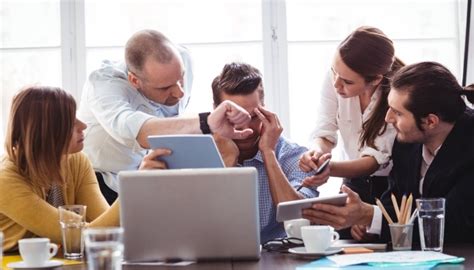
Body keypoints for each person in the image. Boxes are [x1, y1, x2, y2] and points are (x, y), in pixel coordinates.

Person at [302, 62, 474, 244]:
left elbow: (454, 225)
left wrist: (370, 216)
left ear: (431, 121)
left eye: (398, 113)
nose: (388, 118)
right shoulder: (407, 141)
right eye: (389, 108)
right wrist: (370, 225)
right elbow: (395, 201)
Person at [78, 29, 253, 204]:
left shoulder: (182, 58)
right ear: (134, 80)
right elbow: (135, 130)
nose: (180, 93)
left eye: (181, 78)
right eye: (164, 88)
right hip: (105, 185)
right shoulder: (103, 85)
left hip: (152, 176)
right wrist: (206, 122)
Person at [0, 86, 163, 252]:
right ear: (45, 130)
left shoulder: (76, 161)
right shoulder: (5, 180)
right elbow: (81, 237)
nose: (83, 125)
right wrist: (134, 185)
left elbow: (107, 228)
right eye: (71, 122)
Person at [211, 63, 328, 243]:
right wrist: (228, 160)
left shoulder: (293, 155)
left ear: (265, 110)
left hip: (278, 260)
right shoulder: (199, 152)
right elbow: (201, 225)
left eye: (253, 117)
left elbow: (300, 221)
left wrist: (268, 152)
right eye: (233, 117)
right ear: (215, 112)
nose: (244, 128)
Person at [299, 26, 404, 204]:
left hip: (390, 187)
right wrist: (316, 154)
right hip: (352, 182)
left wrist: (327, 168)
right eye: (334, 72)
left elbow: (373, 161)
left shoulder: (397, 95)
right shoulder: (337, 78)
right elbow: (325, 130)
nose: (336, 84)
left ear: (376, 79)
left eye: (347, 81)